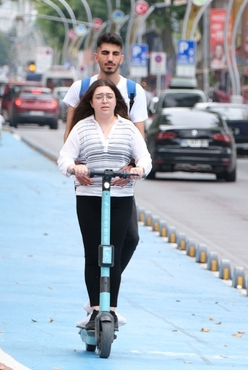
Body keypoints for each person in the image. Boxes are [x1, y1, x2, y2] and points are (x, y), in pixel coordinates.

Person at [63, 32, 148, 324]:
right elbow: (71, 132)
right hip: (90, 180)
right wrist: (75, 167)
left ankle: (102, 295)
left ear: (121, 58)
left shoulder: (134, 91)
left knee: (130, 239)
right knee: (95, 248)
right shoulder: (81, 88)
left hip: (121, 183)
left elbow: (139, 138)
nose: (110, 59)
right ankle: (101, 300)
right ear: (96, 56)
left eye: (115, 54)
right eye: (105, 53)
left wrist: (134, 169)